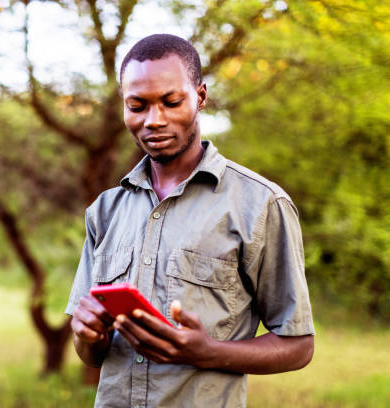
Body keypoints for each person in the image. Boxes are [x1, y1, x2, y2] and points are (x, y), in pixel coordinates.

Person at [65, 34, 315, 408]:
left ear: (200, 97)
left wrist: (207, 351)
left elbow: (298, 345)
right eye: (137, 105)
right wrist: (87, 334)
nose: (154, 120)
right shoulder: (105, 210)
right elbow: (91, 355)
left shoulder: (260, 204)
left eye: (171, 102)